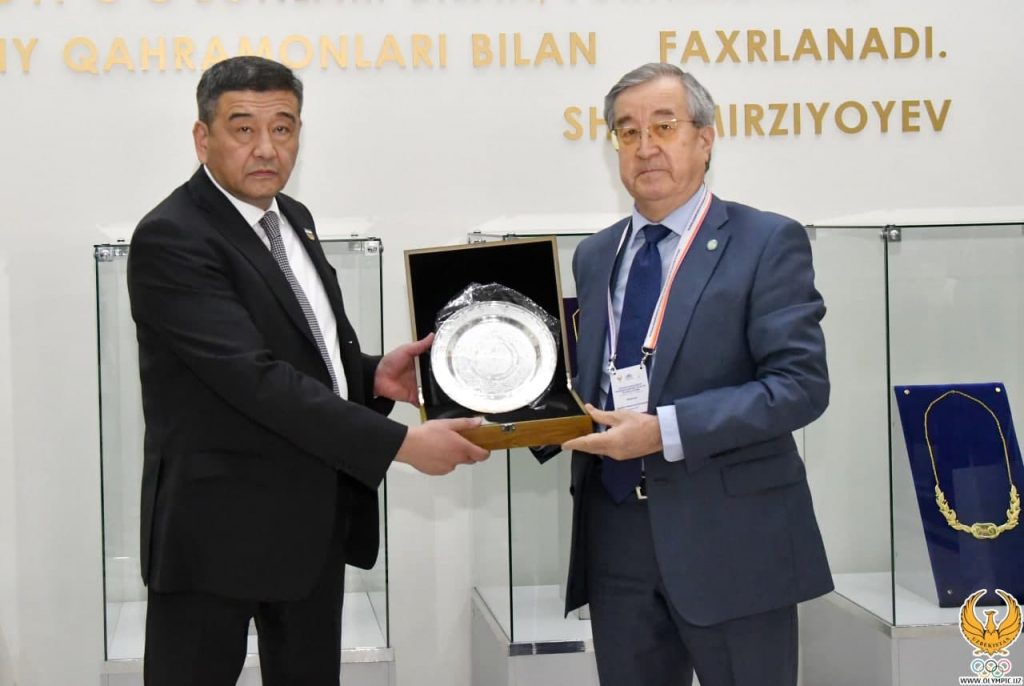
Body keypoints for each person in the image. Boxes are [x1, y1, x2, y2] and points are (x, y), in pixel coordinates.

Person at [127, 55, 488, 686]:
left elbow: (301, 351)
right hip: (214, 537)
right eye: (243, 128)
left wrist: (371, 377)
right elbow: (255, 380)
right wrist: (400, 444)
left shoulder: (293, 218)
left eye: (283, 128)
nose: (266, 148)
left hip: (308, 526)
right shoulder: (172, 236)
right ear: (202, 137)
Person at [560, 62, 833, 686]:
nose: (645, 147)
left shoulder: (766, 241)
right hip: (616, 537)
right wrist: (517, 410)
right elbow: (595, 381)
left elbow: (799, 386)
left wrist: (665, 431)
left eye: (664, 126)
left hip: (733, 541)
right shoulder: (596, 255)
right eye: (628, 132)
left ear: (705, 139)